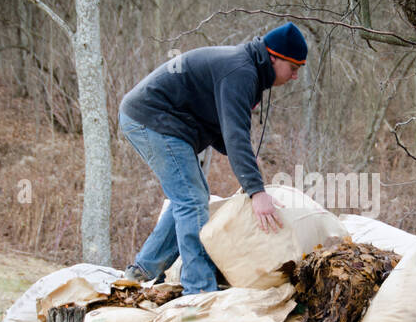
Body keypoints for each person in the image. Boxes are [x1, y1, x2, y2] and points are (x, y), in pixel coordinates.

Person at [117, 22, 308, 294]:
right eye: (294, 68)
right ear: (274, 56)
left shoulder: (247, 70)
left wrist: (252, 178)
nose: (295, 77)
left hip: (166, 122)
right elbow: (235, 135)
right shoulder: (241, 71)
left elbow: (225, 133)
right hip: (152, 118)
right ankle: (200, 291)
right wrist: (256, 191)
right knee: (192, 199)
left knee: (190, 196)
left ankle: (142, 270)